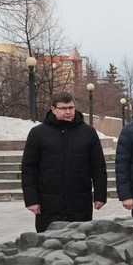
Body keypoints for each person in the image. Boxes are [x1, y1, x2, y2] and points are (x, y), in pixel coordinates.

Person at [21, 91, 108, 232]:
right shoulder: (38, 133)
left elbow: (98, 167)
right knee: (48, 245)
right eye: (63, 108)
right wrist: (32, 200)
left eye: (71, 108)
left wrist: (100, 195)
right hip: (48, 203)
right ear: (53, 109)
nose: (68, 112)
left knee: (80, 246)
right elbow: (29, 169)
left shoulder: (88, 132)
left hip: (80, 201)